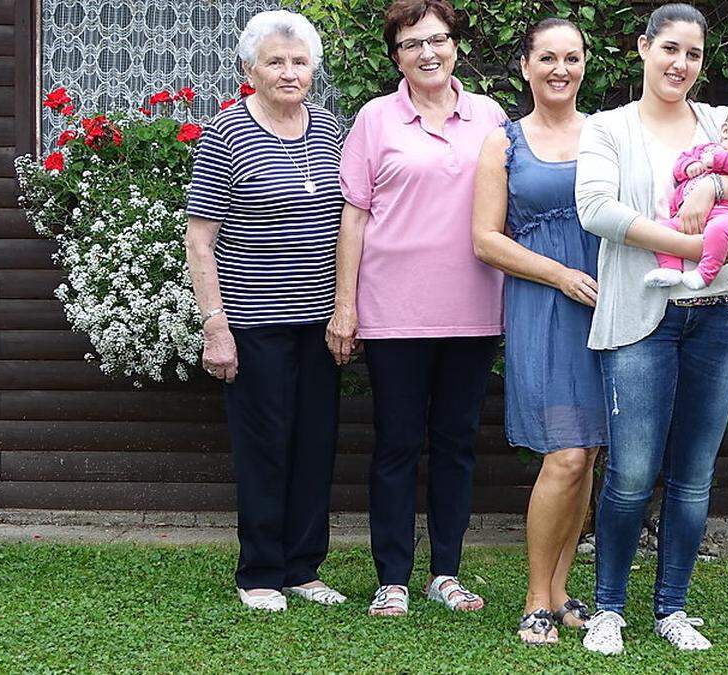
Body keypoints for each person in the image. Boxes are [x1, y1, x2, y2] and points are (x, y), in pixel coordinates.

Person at [574, 3, 728, 654]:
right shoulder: (607, 128)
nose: (680, 63)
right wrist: (681, 234)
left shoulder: (723, 123)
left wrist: (713, 188)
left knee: (694, 474)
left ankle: (672, 608)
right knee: (632, 472)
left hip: (720, 311)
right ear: (643, 48)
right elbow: (596, 208)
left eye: (694, 54)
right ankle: (609, 609)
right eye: (669, 48)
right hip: (642, 312)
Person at [330, 0, 507, 617]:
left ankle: (447, 572)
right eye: (411, 45)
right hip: (393, 312)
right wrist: (344, 306)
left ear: (455, 44)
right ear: (395, 56)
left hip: (474, 309)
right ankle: (393, 578)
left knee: (457, 444)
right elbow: (354, 215)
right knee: (397, 444)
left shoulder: (489, 117)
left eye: (437, 40)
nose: (427, 53)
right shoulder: (375, 119)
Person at [185, 9, 346, 612]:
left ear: (313, 69)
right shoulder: (226, 133)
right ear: (250, 70)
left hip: (320, 322)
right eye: (275, 62)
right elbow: (200, 240)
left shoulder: (330, 129)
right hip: (253, 324)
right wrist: (215, 326)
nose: (289, 72)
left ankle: (304, 569)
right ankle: (259, 572)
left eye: (299, 61)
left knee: (314, 444)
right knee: (264, 447)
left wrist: (346, 310)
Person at [471, 18, 604, 645]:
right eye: (547, 57)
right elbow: (484, 238)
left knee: (590, 458)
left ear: (585, 65)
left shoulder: (607, 136)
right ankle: (535, 598)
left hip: (607, 304)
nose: (560, 69)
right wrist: (559, 275)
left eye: (572, 58)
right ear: (525, 66)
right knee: (566, 452)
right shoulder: (503, 143)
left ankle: (561, 589)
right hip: (545, 305)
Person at [644, 105, 728, 290]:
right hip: (688, 219)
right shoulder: (704, 150)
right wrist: (689, 166)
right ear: (726, 131)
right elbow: (680, 164)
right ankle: (670, 270)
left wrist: (717, 161)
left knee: (718, 230)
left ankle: (704, 274)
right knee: (664, 229)